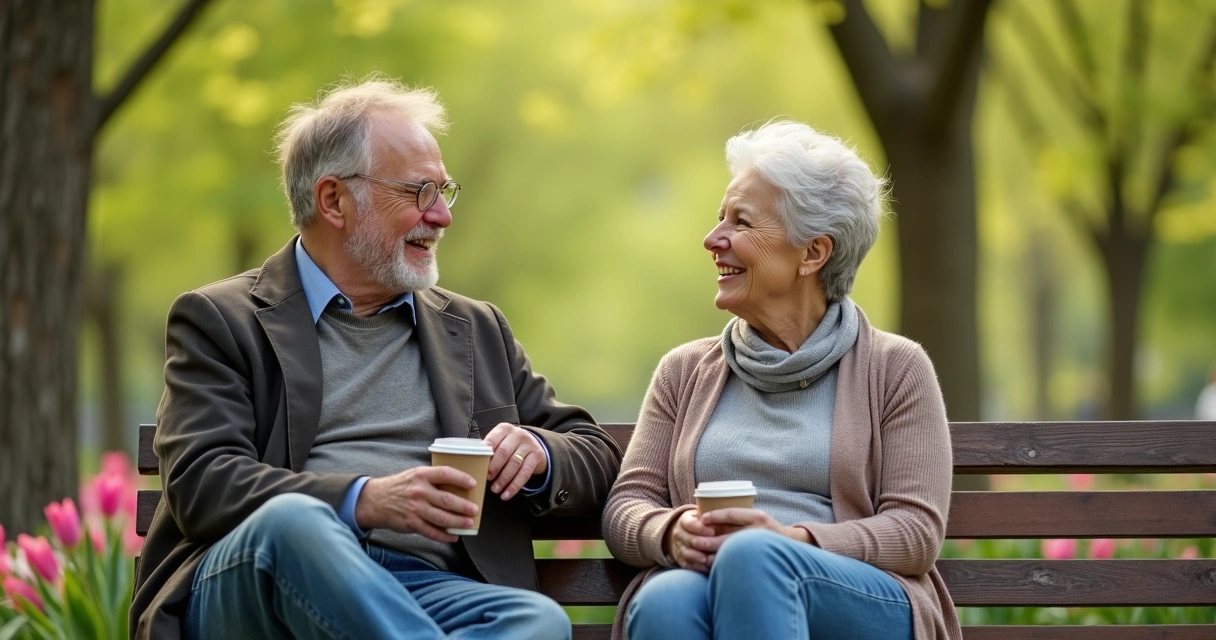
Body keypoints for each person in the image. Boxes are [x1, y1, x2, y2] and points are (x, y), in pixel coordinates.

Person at [131, 77, 622, 640]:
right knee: (297, 525)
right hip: (260, 583)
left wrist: (539, 451)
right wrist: (364, 500)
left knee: (533, 621)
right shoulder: (220, 320)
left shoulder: (475, 328)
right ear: (334, 200)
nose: (442, 217)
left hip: (425, 589)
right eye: (419, 193)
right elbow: (203, 482)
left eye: (444, 192)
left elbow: (593, 453)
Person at [603, 121, 960, 640]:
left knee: (753, 558)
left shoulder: (896, 368)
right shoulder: (684, 372)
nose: (712, 239)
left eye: (740, 223)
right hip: (706, 582)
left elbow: (915, 532)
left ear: (813, 254)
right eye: (718, 218)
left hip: (863, 599)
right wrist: (671, 532)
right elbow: (628, 504)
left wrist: (791, 540)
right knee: (665, 598)